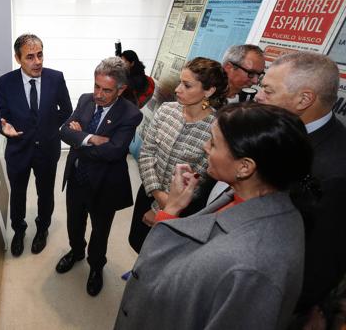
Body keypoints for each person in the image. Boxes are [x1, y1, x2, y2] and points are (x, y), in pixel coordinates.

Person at [115, 102, 313, 330]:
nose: (205, 147)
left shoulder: (252, 268)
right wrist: (172, 208)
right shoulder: (241, 195)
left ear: (245, 167)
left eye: (214, 143)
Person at [253, 51, 346, 328]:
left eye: (268, 90)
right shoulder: (280, 132)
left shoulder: (336, 171)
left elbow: (320, 261)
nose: (258, 96)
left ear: (304, 100)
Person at [55, 57, 142, 296]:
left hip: (104, 183)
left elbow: (114, 152)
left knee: (100, 230)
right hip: (76, 176)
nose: (99, 94)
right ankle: (76, 251)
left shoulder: (131, 114)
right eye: (96, 86)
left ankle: (95, 266)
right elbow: (63, 130)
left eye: (106, 90)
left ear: (121, 89)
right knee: (74, 221)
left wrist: (78, 137)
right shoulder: (85, 100)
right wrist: (90, 138)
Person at [127, 57, 228, 253]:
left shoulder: (215, 127)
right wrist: (158, 194)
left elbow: (201, 177)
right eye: (180, 82)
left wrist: (161, 209)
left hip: (184, 206)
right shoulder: (166, 110)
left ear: (209, 90)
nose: (177, 89)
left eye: (187, 85)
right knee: (137, 241)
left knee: (162, 251)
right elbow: (147, 152)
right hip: (149, 189)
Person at [0, 33, 72, 257]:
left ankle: (42, 229)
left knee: (45, 193)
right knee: (17, 194)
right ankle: (18, 231)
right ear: (18, 59)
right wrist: (3, 128)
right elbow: (1, 114)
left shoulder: (56, 78)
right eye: (30, 57)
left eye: (40, 55)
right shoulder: (6, 82)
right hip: (18, 149)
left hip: (47, 149)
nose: (37, 61)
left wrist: (46, 127)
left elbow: (66, 111)